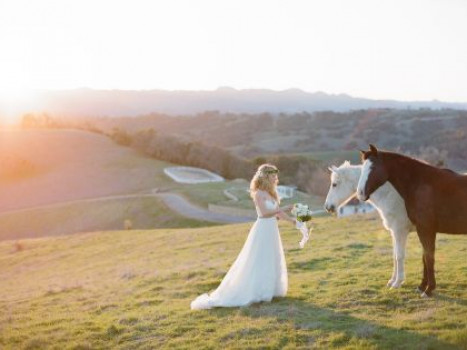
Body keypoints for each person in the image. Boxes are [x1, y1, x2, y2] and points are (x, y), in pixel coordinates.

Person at [190, 164, 296, 310]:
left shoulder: (271, 193)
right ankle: (255, 291)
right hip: (263, 229)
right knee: (259, 259)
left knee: (271, 258)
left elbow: (277, 213)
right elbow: (264, 213)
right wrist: (284, 208)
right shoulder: (259, 193)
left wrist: (292, 221)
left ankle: (270, 290)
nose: (276, 178)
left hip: (272, 230)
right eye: (273, 175)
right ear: (266, 176)